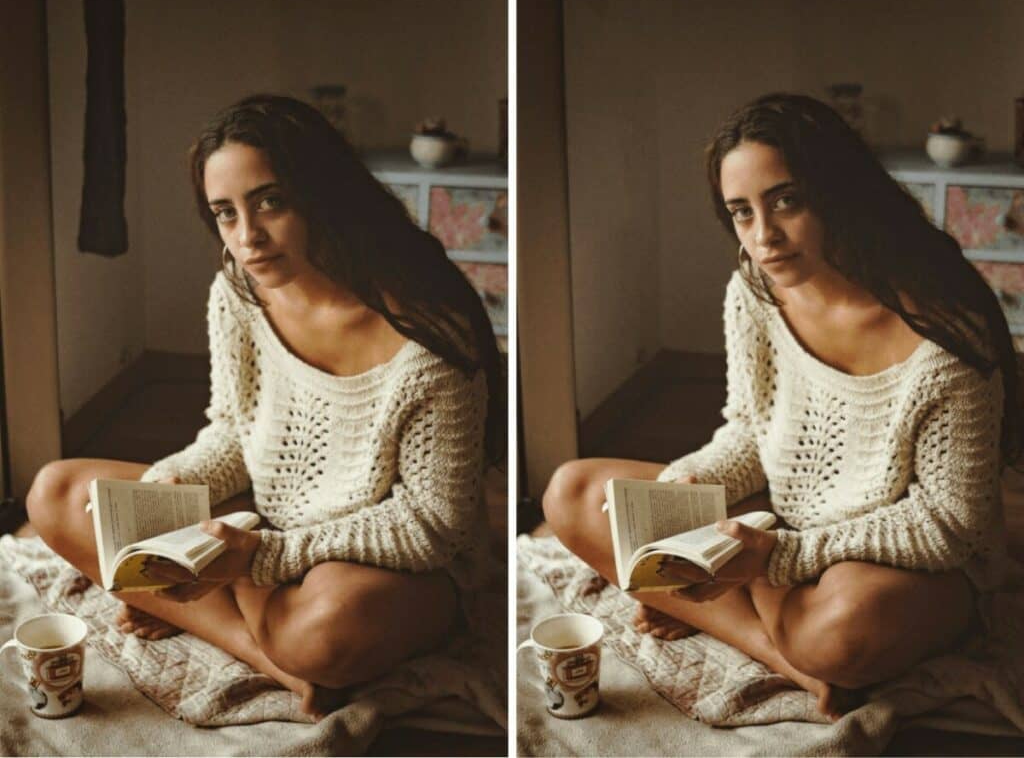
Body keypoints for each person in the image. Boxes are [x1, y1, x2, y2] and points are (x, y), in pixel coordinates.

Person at [542, 93, 1020, 719]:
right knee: (573, 492)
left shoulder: (946, 337)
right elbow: (749, 429)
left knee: (839, 631)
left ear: (839, 191)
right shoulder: (754, 290)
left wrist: (778, 557)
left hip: (897, 560)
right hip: (781, 522)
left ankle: (743, 615)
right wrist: (684, 487)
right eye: (742, 212)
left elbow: (947, 525)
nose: (764, 236)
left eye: (786, 201)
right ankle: (777, 653)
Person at [26, 94, 504, 718]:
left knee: (325, 628)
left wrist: (259, 559)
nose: (248, 237)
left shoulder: (429, 340)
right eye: (225, 213)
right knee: (57, 493)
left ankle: (225, 614)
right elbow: (232, 431)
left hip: (382, 563)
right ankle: (263, 655)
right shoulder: (237, 293)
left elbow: (430, 526)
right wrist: (161, 493)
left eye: (270, 201)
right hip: (263, 520)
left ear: (322, 193)